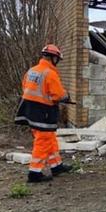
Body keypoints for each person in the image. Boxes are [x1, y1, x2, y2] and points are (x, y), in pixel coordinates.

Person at [15, 44, 72, 183]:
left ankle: (56, 166)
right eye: (57, 59)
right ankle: (34, 173)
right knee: (43, 141)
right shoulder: (50, 73)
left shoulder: (32, 71)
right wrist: (66, 96)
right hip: (43, 112)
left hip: (30, 110)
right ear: (54, 58)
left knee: (49, 139)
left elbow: (26, 88)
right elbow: (57, 95)